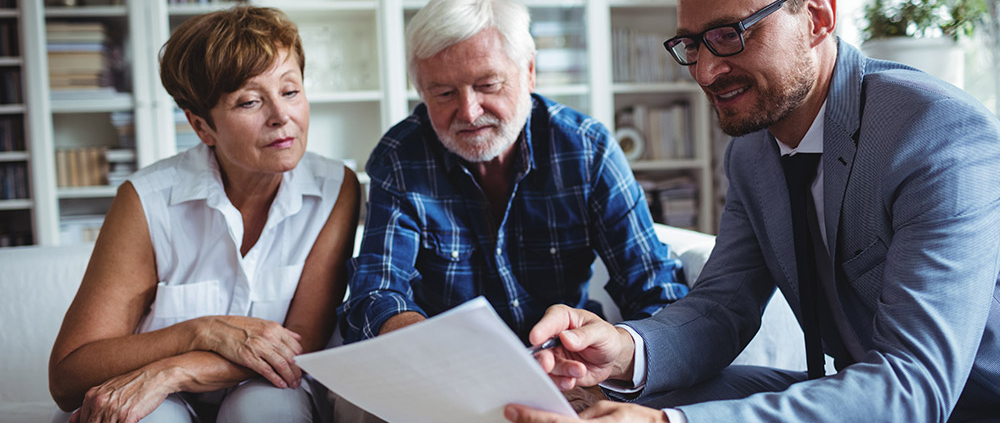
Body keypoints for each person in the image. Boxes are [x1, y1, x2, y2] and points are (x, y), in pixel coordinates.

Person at [505, 0, 1000, 422]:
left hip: (964, 402)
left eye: (729, 34)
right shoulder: (751, 152)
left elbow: (917, 384)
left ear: (818, 17)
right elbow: (722, 306)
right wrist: (622, 351)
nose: (704, 71)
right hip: (852, 386)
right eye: (693, 45)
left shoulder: (937, 133)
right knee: (598, 402)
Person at [47, 6, 360, 423]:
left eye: (290, 91)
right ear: (202, 127)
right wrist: (200, 331)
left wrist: (175, 370)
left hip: (264, 386)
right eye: (250, 101)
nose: (281, 117)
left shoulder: (335, 188)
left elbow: (303, 347)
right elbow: (68, 376)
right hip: (157, 400)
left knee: (265, 407)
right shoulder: (147, 199)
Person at [340, 0, 686, 344]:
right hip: (449, 364)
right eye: (444, 93)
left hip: (568, 361)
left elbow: (655, 288)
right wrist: (422, 340)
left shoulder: (586, 149)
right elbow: (376, 291)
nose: (470, 112)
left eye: (488, 85)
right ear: (421, 93)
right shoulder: (400, 157)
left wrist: (615, 358)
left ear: (529, 72)